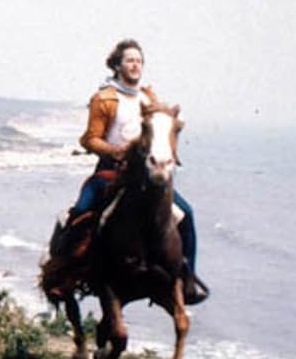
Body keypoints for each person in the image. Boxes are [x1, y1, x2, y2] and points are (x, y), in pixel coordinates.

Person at [52, 38, 209, 304]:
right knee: (79, 211)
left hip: (145, 174)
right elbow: (89, 139)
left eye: (139, 61)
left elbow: (163, 126)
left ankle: (188, 279)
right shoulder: (104, 99)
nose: (135, 65)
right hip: (111, 171)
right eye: (129, 60)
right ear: (117, 65)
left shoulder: (149, 97)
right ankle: (65, 272)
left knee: (187, 214)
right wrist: (117, 151)